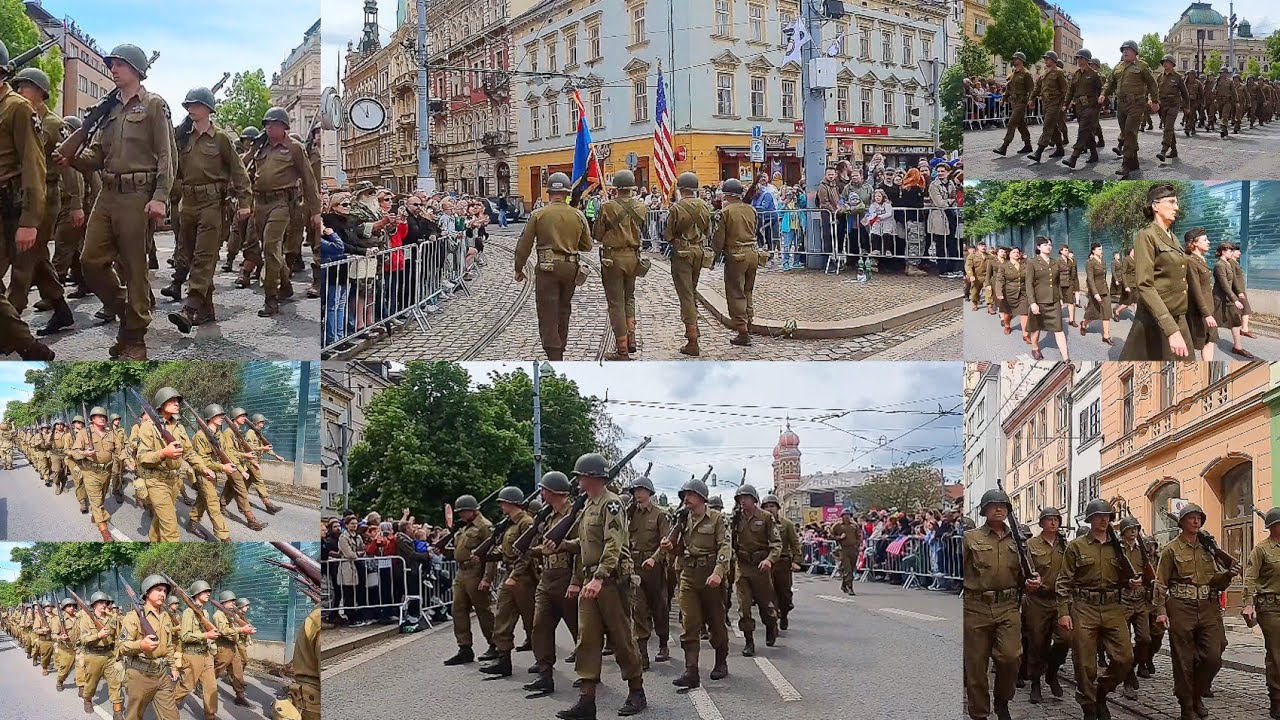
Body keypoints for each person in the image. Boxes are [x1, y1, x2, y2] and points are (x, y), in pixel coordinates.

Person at [55, 44, 173, 359]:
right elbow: (96, 155)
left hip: (138, 194)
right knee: (90, 261)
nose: (113, 68)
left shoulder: (153, 106)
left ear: (135, 69)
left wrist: (160, 197)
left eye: (119, 63)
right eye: (112, 64)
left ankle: (135, 340)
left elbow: (166, 156)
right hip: (107, 193)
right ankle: (128, 313)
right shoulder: (107, 111)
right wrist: (73, 157)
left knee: (135, 268)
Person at [556, 453, 646, 719]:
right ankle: (586, 700)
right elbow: (587, 545)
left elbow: (613, 544)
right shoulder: (588, 506)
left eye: (581, 476)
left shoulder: (612, 503)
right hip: (590, 580)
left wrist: (600, 576)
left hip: (611, 580)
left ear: (592, 477)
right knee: (588, 639)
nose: (578, 480)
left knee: (621, 638)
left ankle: (636, 691)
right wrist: (563, 545)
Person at [165, 87, 251, 331]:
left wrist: (245, 202)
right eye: (188, 106)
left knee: (204, 256)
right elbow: (174, 170)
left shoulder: (221, 138)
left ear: (207, 109)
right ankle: (206, 310)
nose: (191, 109)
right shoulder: (183, 138)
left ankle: (190, 309)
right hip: (188, 203)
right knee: (189, 256)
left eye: (195, 105)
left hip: (212, 204)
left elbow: (238, 170)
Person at [8, 67, 77, 336]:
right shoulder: (22, 115)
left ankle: (11, 321)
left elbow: (68, 165)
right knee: (36, 256)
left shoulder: (53, 124)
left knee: (24, 259)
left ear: (40, 91)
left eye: (25, 86)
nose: (20, 90)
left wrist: (76, 203)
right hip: (22, 195)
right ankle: (61, 309)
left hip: (46, 196)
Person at [0, 41, 57, 360]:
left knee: (22, 277)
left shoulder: (18, 108)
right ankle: (27, 344)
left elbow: (35, 165)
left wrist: (29, 222)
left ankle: (27, 346)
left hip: (9, 209)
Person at [1154, 504, 1236, 720]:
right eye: (1191, 518)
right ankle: (1187, 705)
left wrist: (1228, 574)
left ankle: (1197, 693)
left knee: (1213, 657)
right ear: (1181, 522)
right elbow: (1160, 583)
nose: (1196, 521)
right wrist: (1161, 611)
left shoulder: (1208, 548)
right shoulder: (1170, 549)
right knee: (1183, 660)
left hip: (1208, 606)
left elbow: (1216, 582)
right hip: (1181, 606)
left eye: (1198, 517)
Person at [1057, 499, 1134, 720]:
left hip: (1112, 606)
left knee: (1125, 658)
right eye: (1098, 516)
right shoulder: (1076, 546)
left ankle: (1101, 691)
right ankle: (1089, 706)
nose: (1103, 519)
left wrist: (1130, 583)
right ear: (1090, 519)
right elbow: (1064, 582)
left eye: (1107, 516)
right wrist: (1063, 612)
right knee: (1084, 663)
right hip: (1084, 607)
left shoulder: (1117, 546)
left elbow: (1123, 578)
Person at [244, 107, 321, 318]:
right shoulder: (261, 148)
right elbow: (242, 170)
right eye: (267, 124)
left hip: (282, 203)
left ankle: (271, 298)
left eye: (273, 124)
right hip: (259, 203)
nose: (269, 128)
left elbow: (308, 179)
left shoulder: (294, 148)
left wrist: (315, 211)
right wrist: (251, 150)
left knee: (270, 247)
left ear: (284, 126)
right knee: (269, 249)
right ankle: (285, 285)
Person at [513, 172, 593, 360]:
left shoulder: (538, 214)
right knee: (564, 308)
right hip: (570, 268)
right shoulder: (578, 214)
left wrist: (519, 268)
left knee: (548, 310)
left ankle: (553, 351)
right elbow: (587, 245)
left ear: (549, 192)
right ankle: (561, 344)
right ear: (566, 193)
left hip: (547, 268)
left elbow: (524, 244)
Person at [661, 476, 731, 689]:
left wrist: (719, 572)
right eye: (684, 496)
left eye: (690, 495)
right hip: (689, 575)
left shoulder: (718, 519)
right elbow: (679, 549)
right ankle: (691, 670)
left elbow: (725, 547)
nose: (686, 499)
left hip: (711, 576)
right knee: (690, 623)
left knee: (716, 623)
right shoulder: (683, 520)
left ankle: (721, 661)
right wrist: (668, 546)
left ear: (701, 497)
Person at [963, 489, 1023, 720]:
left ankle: (1002, 700)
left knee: (1010, 657)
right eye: (993, 505)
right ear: (985, 510)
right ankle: (979, 713)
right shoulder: (970, 538)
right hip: (975, 607)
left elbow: (1026, 574)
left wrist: (1032, 581)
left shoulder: (1019, 540)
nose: (999, 509)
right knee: (976, 666)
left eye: (1003, 505)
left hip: (1008, 606)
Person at [1119, 184, 1193, 360]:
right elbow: (1144, 284)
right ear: (1155, 206)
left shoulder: (1172, 237)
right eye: (1172, 202)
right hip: (1158, 317)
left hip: (1178, 315)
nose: (1177, 207)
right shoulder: (1146, 236)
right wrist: (1171, 330)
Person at [523, 471, 580, 697]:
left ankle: (589, 675)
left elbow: (582, 550)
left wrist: (576, 581)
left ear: (553, 492)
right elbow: (546, 546)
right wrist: (531, 551)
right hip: (547, 578)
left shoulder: (575, 515)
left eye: (544, 490)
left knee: (580, 631)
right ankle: (545, 674)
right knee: (540, 627)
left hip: (567, 577)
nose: (542, 494)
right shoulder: (548, 517)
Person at [478, 486, 535, 678]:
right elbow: (505, 551)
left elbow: (527, 554)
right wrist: (484, 556)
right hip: (510, 575)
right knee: (502, 617)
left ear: (511, 502)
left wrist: (515, 576)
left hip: (524, 578)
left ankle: (544, 664)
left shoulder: (526, 523)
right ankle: (503, 660)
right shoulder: (509, 524)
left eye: (503, 502)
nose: (501, 505)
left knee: (533, 621)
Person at [134, 387, 204, 541]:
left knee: (161, 518)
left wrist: (203, 468)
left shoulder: (179, 426)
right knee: (171, 529)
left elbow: (189, 452)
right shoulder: (148, 427)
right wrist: (163, 453)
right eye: (171, 400)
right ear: (161, 404)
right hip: (156, 482)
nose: (176, 403)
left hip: (174, 481)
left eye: (177, 401)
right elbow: (142, 457)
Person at [594, 170, 647, 360]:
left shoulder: (608, 207)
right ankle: (631, 338)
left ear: (616, 188)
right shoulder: (641, 207)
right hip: (633, 257)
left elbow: (598, 234)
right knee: (629, 298)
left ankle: (622, 348)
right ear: (632, 187)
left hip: (613, 259)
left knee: (616, 303)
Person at [442, 494, 498, 666]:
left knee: (483, 611)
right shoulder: (464, 527)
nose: (461, 515)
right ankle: (464, 648)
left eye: (463, 512)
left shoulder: (485, 526)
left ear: (472, 510)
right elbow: (459, 549)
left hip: (476, 572)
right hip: (462, 571)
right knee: (458, 609)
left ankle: (495, 645)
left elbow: (491, 553)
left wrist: (487, 578)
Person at [1024, 508, 1069, 704]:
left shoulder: (1065, 545)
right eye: (1048, 520)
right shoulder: (1030, 545)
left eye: (1056, 520)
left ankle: (1051, 672)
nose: (1053, 523)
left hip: (1060, 600)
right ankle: (1035, 682)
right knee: (1037, 642)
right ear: (1041, 523)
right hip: (1037, 600)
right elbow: (1023, 571)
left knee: (1066, 639)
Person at [119, 575, 179, 720]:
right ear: (147, 592)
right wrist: (141, 645)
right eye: (158, 589)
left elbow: (169, 645)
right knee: (134, 715)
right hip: (140, 674)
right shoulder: (133, 617)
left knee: (172, 716)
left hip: (162, 673)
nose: (163, 594)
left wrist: (174, 667)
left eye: (165, 591)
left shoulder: (165, 616)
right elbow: (122, 646)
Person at [627, 473, 671, 669]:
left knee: (659, 607)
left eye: (641, 490)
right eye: (635, 491)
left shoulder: (659, 515)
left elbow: (666, 542)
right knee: (639, 609)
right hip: (635, 565)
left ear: (649, 492)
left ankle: (663, 644)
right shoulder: (629, 513)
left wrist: (655, 559)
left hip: (654, 568)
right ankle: (642, 652)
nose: (637, 494)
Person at [731, 484, 781, 656]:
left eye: (745, 498)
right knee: (744, 607)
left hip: (760, 567)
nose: (742, 501)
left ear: (754, 499)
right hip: (743, 566)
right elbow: (729, 541)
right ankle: (749, 640)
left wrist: (769, 560)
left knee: (765, 605)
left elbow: (776, 543)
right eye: (739, 498)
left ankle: (771, 625)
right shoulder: (736, 518)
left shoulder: (766, 517)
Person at [1100, 40, 1159, 179]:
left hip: (1136, 104)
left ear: (1135, 52)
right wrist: (1104, 94)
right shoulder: (1118, 67)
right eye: (1123, 50)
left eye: (1128, 49)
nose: (1125, 52)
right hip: (1122, 105)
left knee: (1130, 132)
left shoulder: (1142, 66)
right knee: (1126, 134)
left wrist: (1155, 100)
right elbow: (1110, 82)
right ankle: (1134, 162)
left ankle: (1125, 164)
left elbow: (1152, 83)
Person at [1242, 507, 1280, 720]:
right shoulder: (1261, 549)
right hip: (1270, 608)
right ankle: (1276, 699)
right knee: (1276, 655)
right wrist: (1248, 603)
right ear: (1273, 526)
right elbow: (1250, 578)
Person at [712, 178, 759, 347]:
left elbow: (719, 239)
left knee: (735, 292)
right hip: (753, 253)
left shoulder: (725, 212)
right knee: (748, 290)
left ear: (726, 195)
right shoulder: (751, 209)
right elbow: (755, 230)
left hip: (736, 255)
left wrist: (713, 258)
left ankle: (742, 331)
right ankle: (749, 321)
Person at [173, 580, 219, 718]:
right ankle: (169, 704)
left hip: (206, 655)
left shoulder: (205, 612)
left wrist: (212, 647)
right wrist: (206, 635)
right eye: (205, 591)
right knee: (186, 687)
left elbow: (208, 633)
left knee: (211, 688)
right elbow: (185, 636)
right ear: (197, 593)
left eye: (208, 591)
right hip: (192, 656)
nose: (208, 594)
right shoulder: (188, 612)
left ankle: (210, 715)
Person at [80, 591, 124, 719]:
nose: (103, 605)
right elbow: (83, 639)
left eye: (105, 602)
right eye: (100, 602)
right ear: (94, 605)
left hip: (110, 655)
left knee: (115, 683)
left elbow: (118, 636)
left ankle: (117, 711)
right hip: (93, 656)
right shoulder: (86, 619)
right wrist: (98, 635)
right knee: (91, 684)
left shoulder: (112, 618)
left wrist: (118, 653)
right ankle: (87, 699)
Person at [1024, 236, 1068, 361]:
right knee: (1036, 328)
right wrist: (1032, 303)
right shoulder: (1032, 262)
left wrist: (1060, 298)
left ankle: (1065, 357)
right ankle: (1035, 347)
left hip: (1054, 301)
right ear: (1038, 247)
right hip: (1039, 301)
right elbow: (1029, 284)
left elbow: (1057, 282)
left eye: (1049, 244)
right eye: (1045, 245)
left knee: (1059, 329)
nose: (1048, 247)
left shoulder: (1055, 262)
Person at [212, 589, 254, 706]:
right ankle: (203, 683)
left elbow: (240, 624)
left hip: (233, 647)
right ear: (223, 602)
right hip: (223, 647)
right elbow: (223, 631)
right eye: (230, 601)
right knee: (218, 670)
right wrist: (242, 629)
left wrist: (248, 629)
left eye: (234, 601)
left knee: (238, 672)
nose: (233, 603)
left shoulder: (232, 614)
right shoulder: (218, 615)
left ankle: (240, 696)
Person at [1063, 49, 1103, 168]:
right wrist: (1066, 103)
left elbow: (1103, 90)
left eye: (1081, 58)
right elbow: (1070, 91)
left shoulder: (1094, 74)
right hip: (1079, 107)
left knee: (1082, 130)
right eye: (1077, 58)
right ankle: (1094, 154)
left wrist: (1101, 106)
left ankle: (1074, 157)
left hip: (1091, 107)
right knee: (1087, 132)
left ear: (1087, 60)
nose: (1078, 60)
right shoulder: (1076, 74)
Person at [1029, 51, 1069, 162]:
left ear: (1053, 60)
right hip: (1045, 103)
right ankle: (1060, 149)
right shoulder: (1044, 73)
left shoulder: (1059, 72)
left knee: (1047, 126)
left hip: (1055, 103)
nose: (1045, 60)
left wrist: (1064, 103)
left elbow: (1065, 89)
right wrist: (1031, 99)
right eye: (1045, 59)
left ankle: (1038, 152)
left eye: (1047, 58)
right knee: (1053, 126)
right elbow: (1037, 88)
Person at [993, 52, 1035, 156]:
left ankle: (1004, 146)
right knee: (1021, 124)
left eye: (1016, 58)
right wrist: (1004, 97)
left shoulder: (1026, 74)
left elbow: (1032, 89)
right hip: (1014, 102)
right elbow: (1009, 87)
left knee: (1012, 122)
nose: (1014, 60)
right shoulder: (1013, 73)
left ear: (1021, 60)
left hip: (1022, 102)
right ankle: (1028, 144)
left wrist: (1031, 101)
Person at [1155, 55, 1188, 162]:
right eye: (1164, 62)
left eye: (1167, 62)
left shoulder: (1178, 77)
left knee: (1168, 127)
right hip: (1162, 105)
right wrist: (1153, 100)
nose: (1165, 64)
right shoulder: (1160, 77)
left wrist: (1186, 107)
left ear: (1172, 64)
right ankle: (1174, 150)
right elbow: (1155, 91)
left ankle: (1163, 150)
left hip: (1173, 105)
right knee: (1168, 128)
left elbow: (1185, 94)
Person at [1082, 243, 1113, 345]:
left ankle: (1106, 336)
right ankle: (1084, 323)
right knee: (1093, 313)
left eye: (1102, 249)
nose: (1101, 251)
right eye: (1099, 249)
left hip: (1105, 291)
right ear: (1093, 251)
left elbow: (1103, 278)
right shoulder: (1090, 263)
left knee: (1107, 313)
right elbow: (1090, 279)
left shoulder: (1102, 261)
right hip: (1096, 292)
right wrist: (1095, 293)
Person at [830, 510, 862, 595]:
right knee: (847, 569)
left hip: (853, 549)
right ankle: (850, 587)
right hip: (843, 549)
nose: (847, 517)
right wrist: (839, 537)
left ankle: (844, 584)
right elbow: (830, 535)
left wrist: (858, 545)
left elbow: (859, 535)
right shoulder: (837, 525)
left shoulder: (854, 525)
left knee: (851, 568)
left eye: (848, 515)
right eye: (845, 515)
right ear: (842, 516)